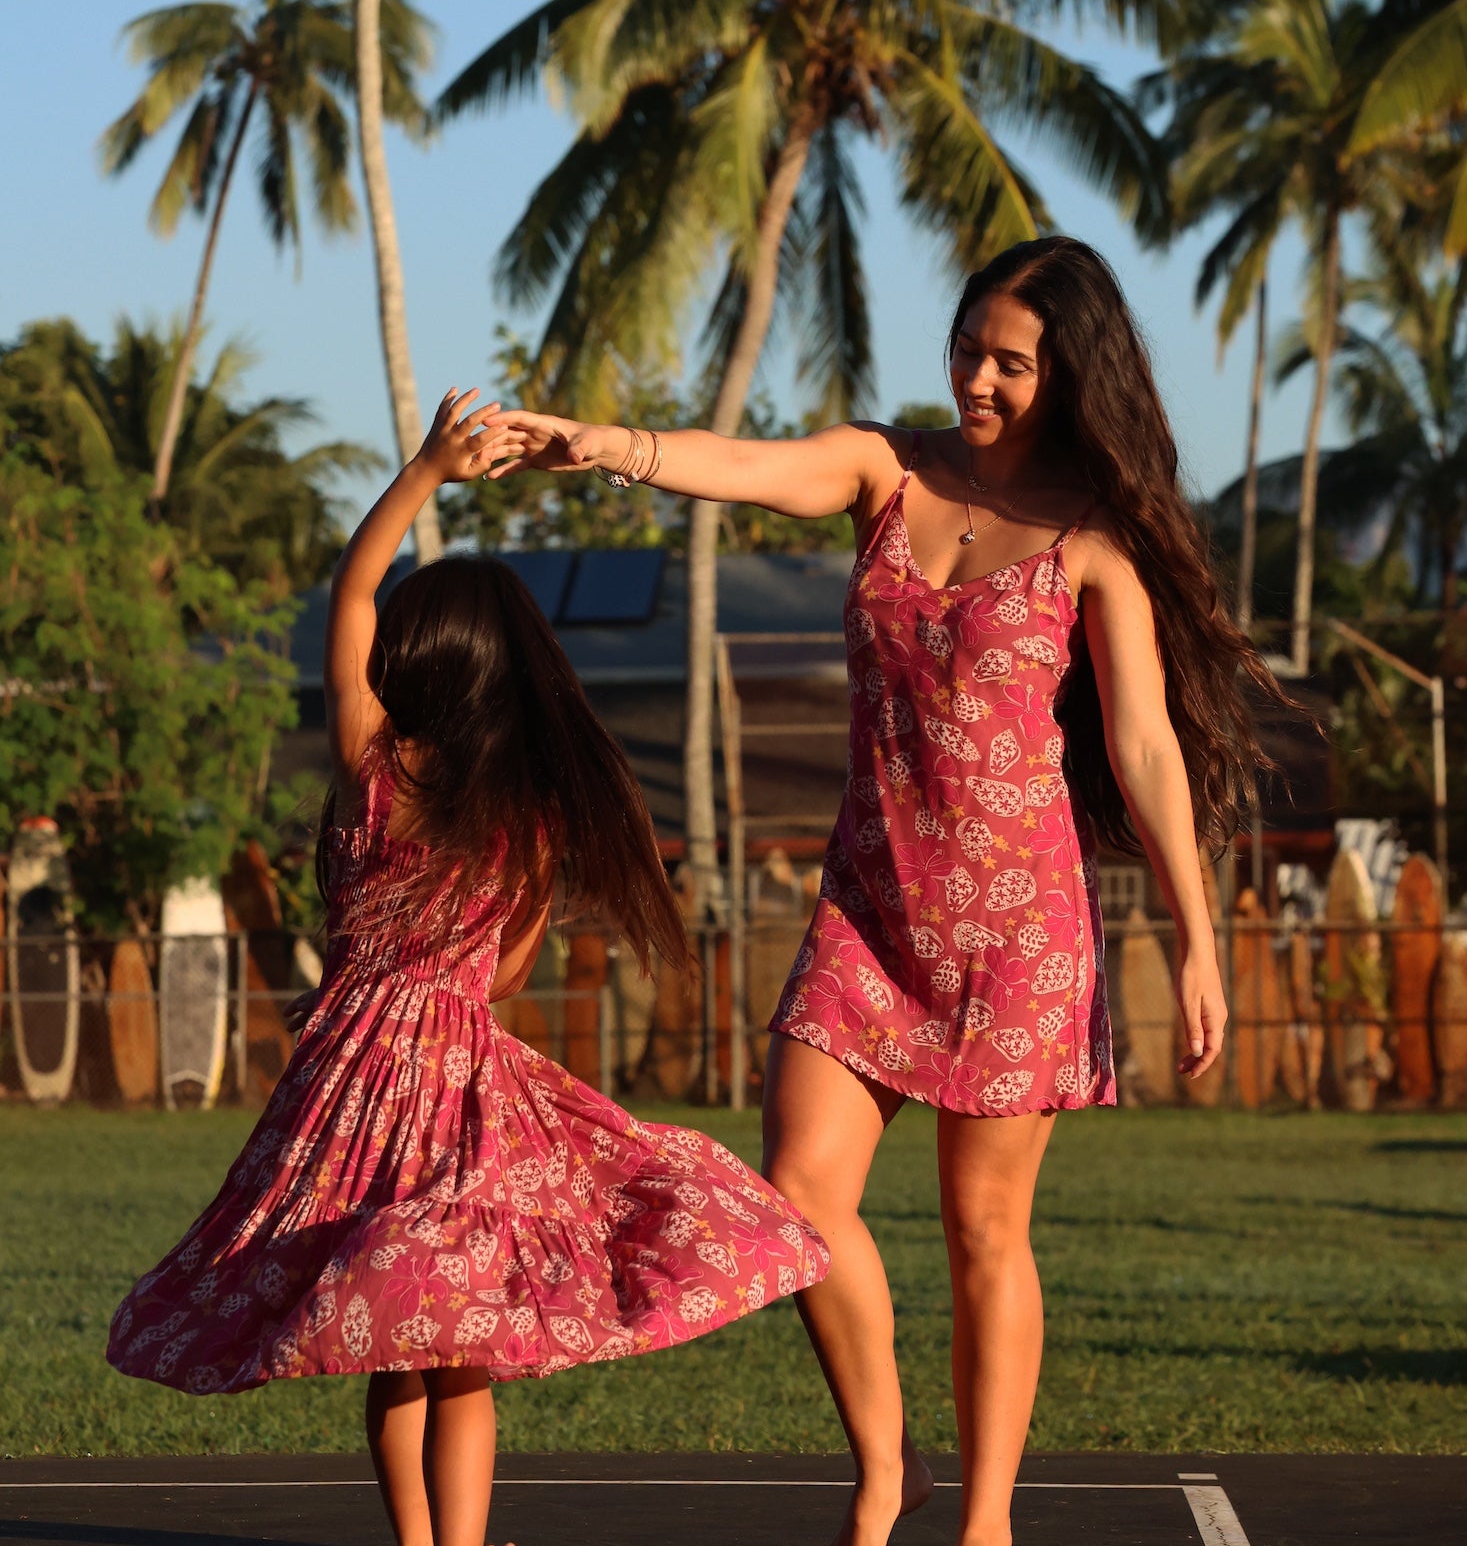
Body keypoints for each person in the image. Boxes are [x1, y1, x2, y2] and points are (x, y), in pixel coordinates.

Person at [477, 236, 1282, 1546]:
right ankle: (885, 1463)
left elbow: (1141, 747)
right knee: (796, 1188)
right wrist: (598, 441)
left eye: (1008, 361)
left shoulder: (1093, 539)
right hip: (867, 910)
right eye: (964, 346)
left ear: (1066, 370)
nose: (974, 377)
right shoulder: (883, 466)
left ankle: (985, 1523)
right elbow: (744, 468)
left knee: (982, 1233)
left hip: (1019, 936)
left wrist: (1195, 936)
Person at [107, 391, 829, 1546]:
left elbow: (349, 592)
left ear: (415, 658)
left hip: (348, 1098)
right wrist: (417, 977)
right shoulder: (526, 822)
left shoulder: (371, 763)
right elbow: (497, 975)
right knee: (463, 1352)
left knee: (392, 1349)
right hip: (464, 1092)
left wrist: (425, 473)